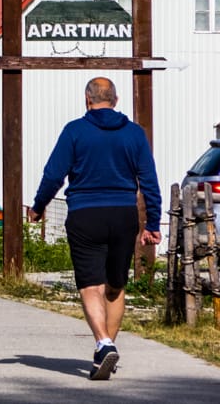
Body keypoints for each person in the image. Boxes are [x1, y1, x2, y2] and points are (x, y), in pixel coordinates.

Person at [28, 77, 162, 381]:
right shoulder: (134, 134)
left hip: (85, 215)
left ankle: (103, 343)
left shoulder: (74, 131)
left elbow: (53, 175)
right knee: (115, 287)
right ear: (115, 100)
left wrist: (38, 207)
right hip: (123, 215)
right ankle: (105, 349)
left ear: (87, 100)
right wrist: (152, 223)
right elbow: (149, 181)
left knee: (90, 285)